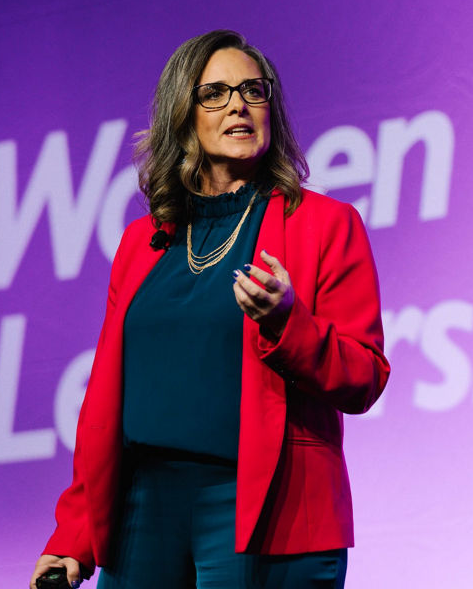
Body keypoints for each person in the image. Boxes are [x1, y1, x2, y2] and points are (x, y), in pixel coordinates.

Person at [30, 30, 389, 589]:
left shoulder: (324, 225)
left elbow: (363, 375)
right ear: (183, 116)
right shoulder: (141, 243)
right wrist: (74, 536)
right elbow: (104, 404)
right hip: (143, 514)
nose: (239, 105)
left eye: (253, 90)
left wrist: (286, 323)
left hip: (264, 511)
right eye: (216, 93)